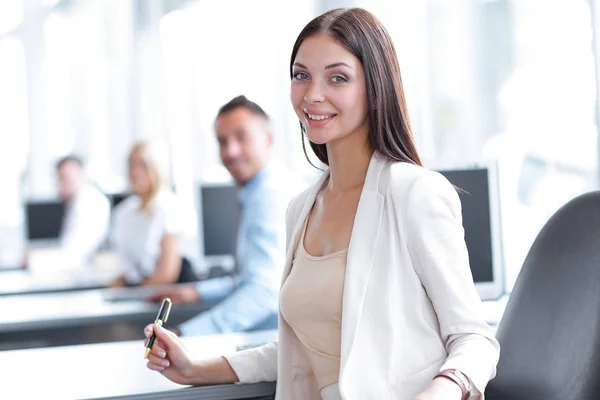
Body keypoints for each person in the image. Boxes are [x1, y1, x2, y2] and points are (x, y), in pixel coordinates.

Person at [143, 8, 499, 400]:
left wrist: (437, 394)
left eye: (337, 78)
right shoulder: (302, 208)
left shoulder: (415, 193)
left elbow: (473, 339)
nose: (313, 94)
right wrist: (196, 366)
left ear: (375, 87)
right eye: (301, 75)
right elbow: (303, 351)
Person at [149, 95, 300, 335]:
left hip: (274, 343)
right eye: (222, 141)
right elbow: (249, 279)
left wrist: (185, 335)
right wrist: (196, 292)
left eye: (242, 137)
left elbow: (265, 290)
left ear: (268, 139)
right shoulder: (256, 191)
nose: (230, 151)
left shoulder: (270, 196)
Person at [110, 140, 199, 287]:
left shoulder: (170, 208)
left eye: (143, 165)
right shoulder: (125, 212)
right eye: (131, 164)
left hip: (170, 295)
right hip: (142, 289)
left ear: (157, 168)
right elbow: (129, 268)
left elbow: (167, 274)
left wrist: (133, 292)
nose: (135, 172)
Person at [34, 155, 110, 269]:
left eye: (66, 178)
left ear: (82, 174)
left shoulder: (89, 203)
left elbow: (74, 255)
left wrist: (35, 260)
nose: (61, 185)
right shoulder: (76, 202)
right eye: (59, 179)